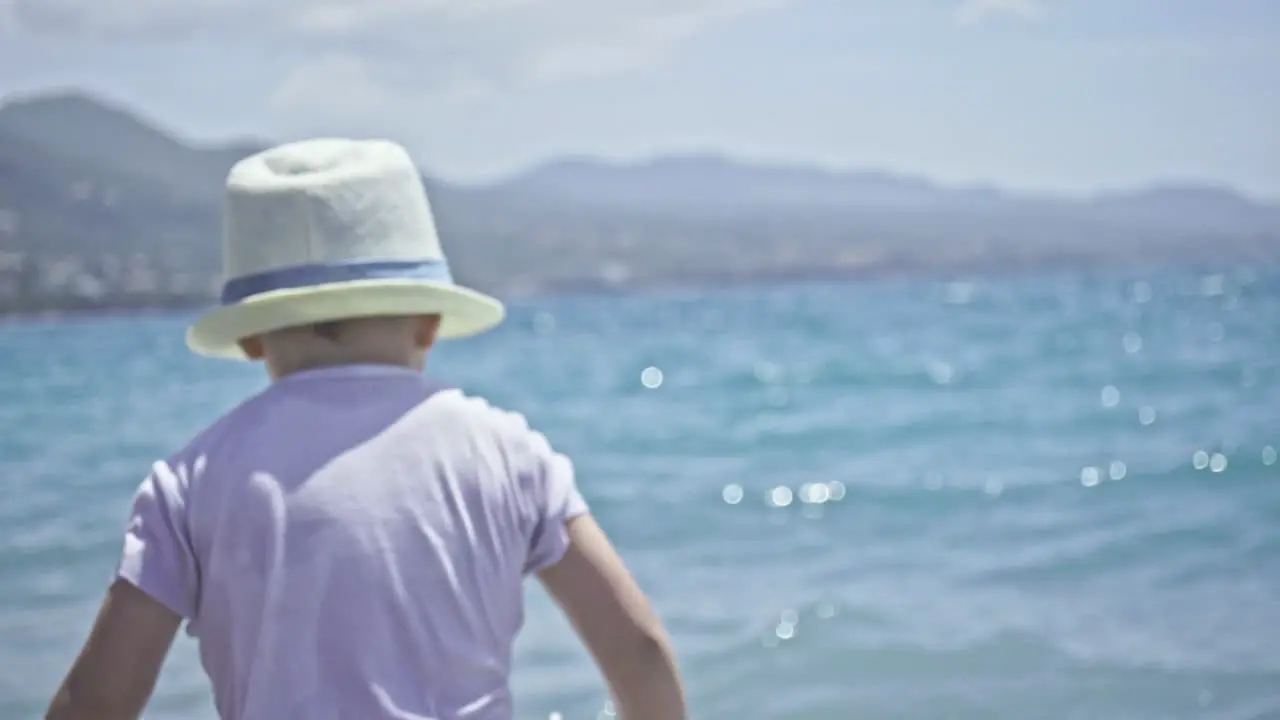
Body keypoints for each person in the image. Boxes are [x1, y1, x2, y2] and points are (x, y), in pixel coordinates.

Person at [45, 138, 686, 720]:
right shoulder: (509, 454)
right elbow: (640, 652)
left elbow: (98, 701)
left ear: (248, 340)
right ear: (432, 322)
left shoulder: (192, 480)